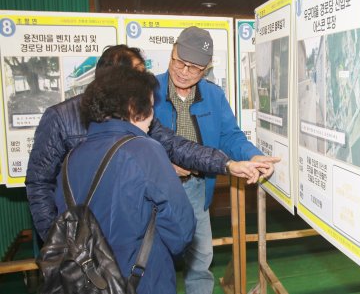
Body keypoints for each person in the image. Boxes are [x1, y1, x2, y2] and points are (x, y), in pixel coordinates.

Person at [26, 45, 269, 240]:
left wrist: (227, 165)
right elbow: (39, 182)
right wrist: (54, 239)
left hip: (128, 229)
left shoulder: (139, 115)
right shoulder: (59, 117)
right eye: (138, 74)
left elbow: (177, 146)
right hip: (80, 235)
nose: (146, 80)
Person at [153, 26, 281, 294]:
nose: (183, 71)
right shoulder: (149, 92)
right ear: (172, 51)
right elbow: (136, 141)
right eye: (179, 61)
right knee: (154, 261)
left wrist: (252, 154)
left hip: (196, 188)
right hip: (155, 190)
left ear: (207, 68)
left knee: (200, 262)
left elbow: (230, 137)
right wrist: (164, 166)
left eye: (194, 68)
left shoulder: (213, 96)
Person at [54, 66, 193, 294]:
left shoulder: (71, 158)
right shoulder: (145, 150)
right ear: (132, 107)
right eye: (149, 106)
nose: (152, 116)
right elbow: (182, 229)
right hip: (142, 281)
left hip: (88, 283)